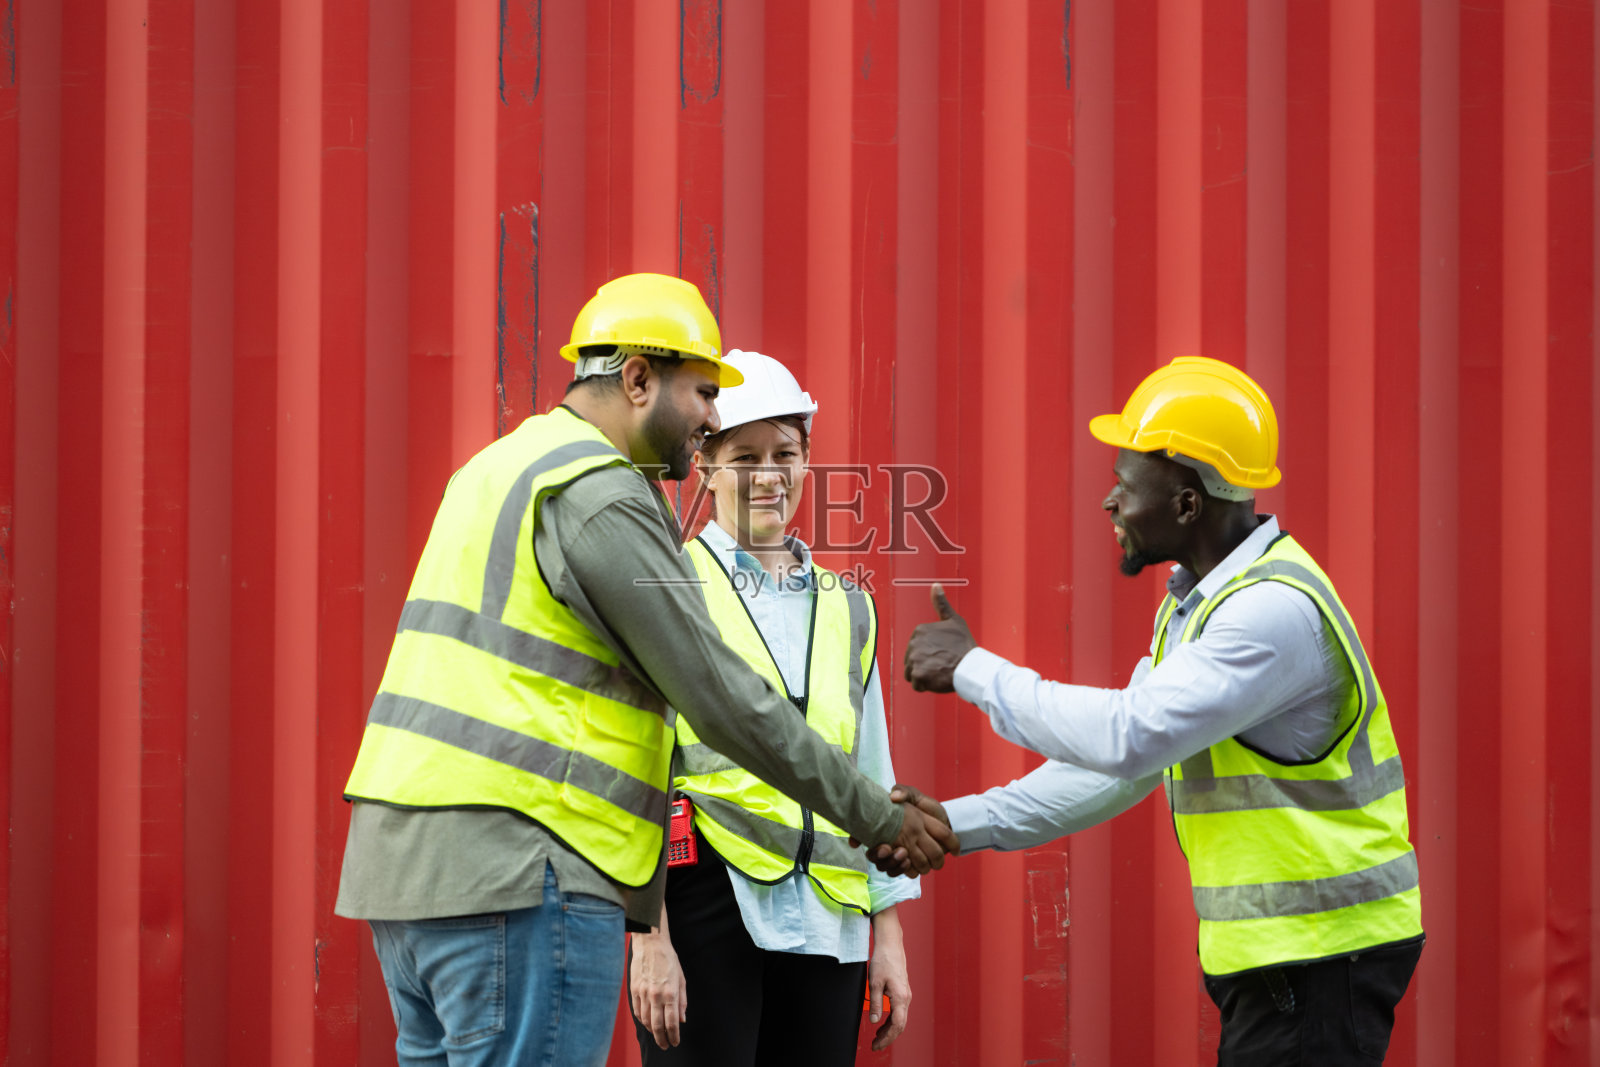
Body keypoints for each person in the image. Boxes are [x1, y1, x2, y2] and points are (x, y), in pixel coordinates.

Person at [335, 273, 955, 1067]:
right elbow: (723, 700)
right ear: (636, 378)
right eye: (702, 394)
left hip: (410, 874)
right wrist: (883, 818)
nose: (705, 418)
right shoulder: (602, 492)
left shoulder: (498, 469)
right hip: (523, 871)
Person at [895, 356, 1423, 1066]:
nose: (1109, 504)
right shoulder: (1200, 607)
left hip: (1321, 959)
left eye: (1123, 485)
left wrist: (972, 668)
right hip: (1289, 962)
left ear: (1186, 503)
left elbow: (1128, 738)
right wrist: (960, 823)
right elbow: (1124, 767)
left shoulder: (1269, 614)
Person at [627, 351, 919, 1065]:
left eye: (784, 453)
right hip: (708, 902)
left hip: (830, 919)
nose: (767, 475)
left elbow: (870, 770)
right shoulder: (673, 585)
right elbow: (635, 767)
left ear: (808, 459)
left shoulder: (849, 604)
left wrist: (889, 936)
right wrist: (649, 938)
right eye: (744, 455)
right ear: (707, 465)